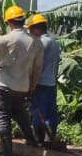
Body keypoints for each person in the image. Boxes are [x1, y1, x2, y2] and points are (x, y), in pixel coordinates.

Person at [0, 5, 44, 156]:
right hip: (22, 86)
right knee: (21, 114)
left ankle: (7, 153)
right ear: (23, 20)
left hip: (3, 84)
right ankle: (32, 142)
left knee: (3, 116)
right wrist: (32, 86)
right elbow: (37, 68)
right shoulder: (36, 42)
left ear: (8, 22)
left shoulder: (6, 39)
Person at [26, 13, 61, 145]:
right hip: (51, 83)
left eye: (30, 30)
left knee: (38, 112)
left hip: (39, 83)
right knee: (51, 111)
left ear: (35, 28)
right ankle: (50, 138)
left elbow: (33, 65)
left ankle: (38, 140)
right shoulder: (54, 42)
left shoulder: (39, 43)